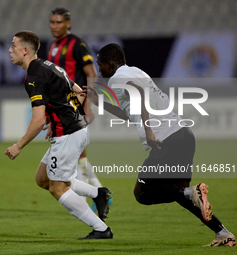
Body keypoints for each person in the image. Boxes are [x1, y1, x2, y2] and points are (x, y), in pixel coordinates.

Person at [86, 43, 236, 247]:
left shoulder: (118, 77)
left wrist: (149, 130)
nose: (99, 70)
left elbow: (138, 94)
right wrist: (100, 102)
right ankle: (222, 233)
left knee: (143, 193)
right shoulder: (136, 72)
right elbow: (131, 111)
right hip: (183, 135)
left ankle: (193, 196)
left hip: (165, 139)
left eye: (100, 64)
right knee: (184, 195)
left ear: (111, 64)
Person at [5, 30, 112, 239]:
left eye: (13, 45)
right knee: (43, 178)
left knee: (56, 187)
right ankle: (98, 193)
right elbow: (78, 92)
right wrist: (58, 118)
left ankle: (101, 229)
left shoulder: (34, 77)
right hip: (75, 130)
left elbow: (36, 121)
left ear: (25, 50)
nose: (10, 50)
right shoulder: (49, 66)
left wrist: (18, 146)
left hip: (69, 135)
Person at [48, 8, 106, 210]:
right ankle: (98, 192)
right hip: (61, 106)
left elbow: (92, 73)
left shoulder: (77, 44)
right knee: (77, 154)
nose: (55, 26)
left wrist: (88, 105)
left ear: (68, 24)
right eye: (52, 22)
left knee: (71, 153)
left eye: (59, 22)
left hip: (76, 103)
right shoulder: (53, 46)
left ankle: (92, 196)